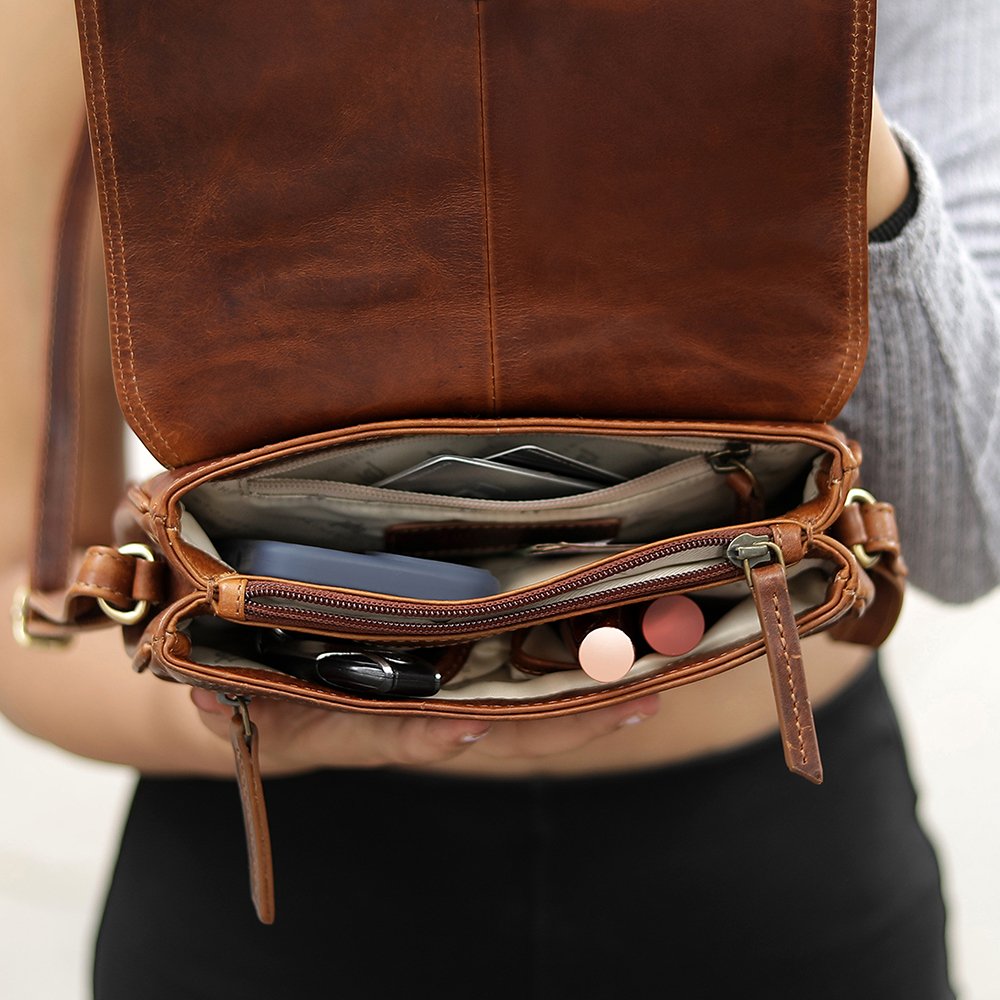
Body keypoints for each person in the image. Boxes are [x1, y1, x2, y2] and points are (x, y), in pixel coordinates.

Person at [1, 1, 996, 997]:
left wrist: (804, 67)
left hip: (780, 867)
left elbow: (967, 539)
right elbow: (21, 589)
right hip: (275, 874)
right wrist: (252, 720)